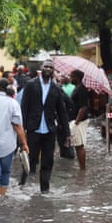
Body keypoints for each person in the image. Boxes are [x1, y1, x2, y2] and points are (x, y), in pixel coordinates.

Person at [20, 58, 70, 193]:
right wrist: (22, 129)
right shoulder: (31, 85)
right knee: (30, 159)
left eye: (51, 67)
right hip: (33, 129)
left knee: (48, 161)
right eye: (46, 66)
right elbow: (24, 108)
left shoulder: (56, 88)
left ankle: (45, 190)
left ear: (53, 71)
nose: (48, 69)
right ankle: (22, 186)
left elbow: (62, 112)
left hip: (49, 130)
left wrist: (67, 134)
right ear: (41, 68)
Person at [0, 78, 29, 200]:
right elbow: (17, 126)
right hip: (8, 144)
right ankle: (2, 196)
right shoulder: (13, 103)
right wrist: (24, 143)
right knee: (5, 171)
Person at [68, 69, 90, 170]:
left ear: (77, 78)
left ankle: (83, 169)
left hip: (79, 121)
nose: (70, 78)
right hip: (75, 120)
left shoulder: (82, 89)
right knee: (76, 144)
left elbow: (84, 107)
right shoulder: (77, 87)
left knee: (79, 145)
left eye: (71, 76)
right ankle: (81, 168)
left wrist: (77, 121)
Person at [58, 75, 76, 159]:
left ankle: (66, 154)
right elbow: (71, 103)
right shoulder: (74, 87)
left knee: (63, 137)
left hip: (61, 117)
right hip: (69, 116)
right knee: (67, 135)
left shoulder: (59, 89)